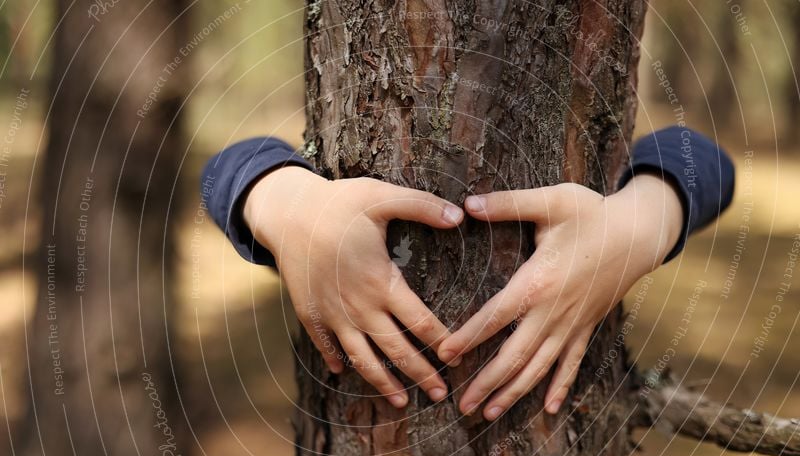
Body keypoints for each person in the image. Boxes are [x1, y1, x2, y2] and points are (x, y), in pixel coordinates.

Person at [202, 127, 734, 421]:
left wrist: (644, 220)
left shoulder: (594, 187)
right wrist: (285, 202)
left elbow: (709, 161)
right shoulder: (327, 230)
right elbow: (226, 167)